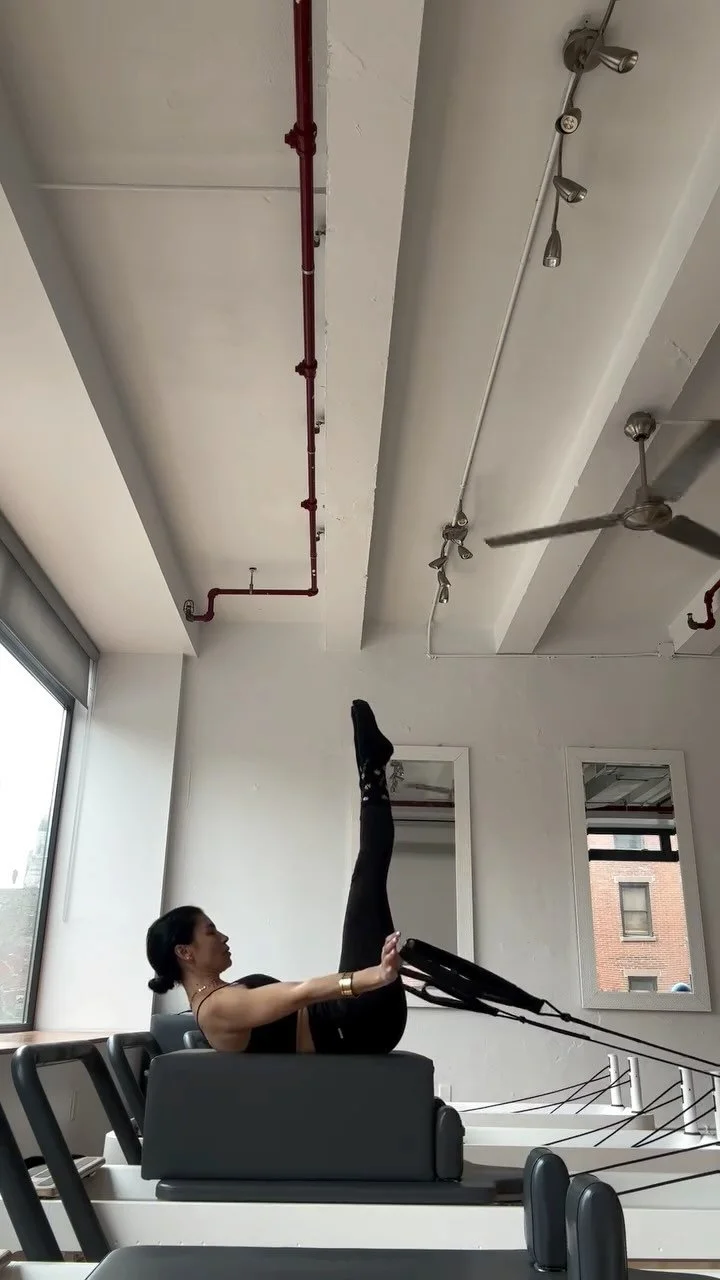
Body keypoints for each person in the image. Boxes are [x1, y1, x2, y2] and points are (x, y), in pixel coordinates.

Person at [145, 700, 408, 1054]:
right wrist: (375, 976)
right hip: (357, 1023)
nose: (223, 936)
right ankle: (372, 769)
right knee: (368, 875)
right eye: (210, 931)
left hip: (355, 1019)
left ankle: (373, 769)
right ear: (184, 952)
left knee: (369, 875)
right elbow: (301, 993)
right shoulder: (216, 1008)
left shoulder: (217, 999)